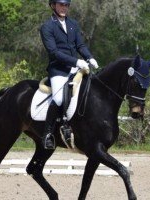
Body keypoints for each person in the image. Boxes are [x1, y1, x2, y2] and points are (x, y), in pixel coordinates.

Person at [40, 0, 99, 149]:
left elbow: (80, 45)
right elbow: (54, 53)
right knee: (59, 99)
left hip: (75, 68)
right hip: (58, 70)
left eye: (66, 5)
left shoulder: (73, 24)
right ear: (53, 6)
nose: (64, 8)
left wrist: (89, 57)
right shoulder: (47, 27)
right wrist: (76, 62)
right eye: (61, 5)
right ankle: (48, 134)